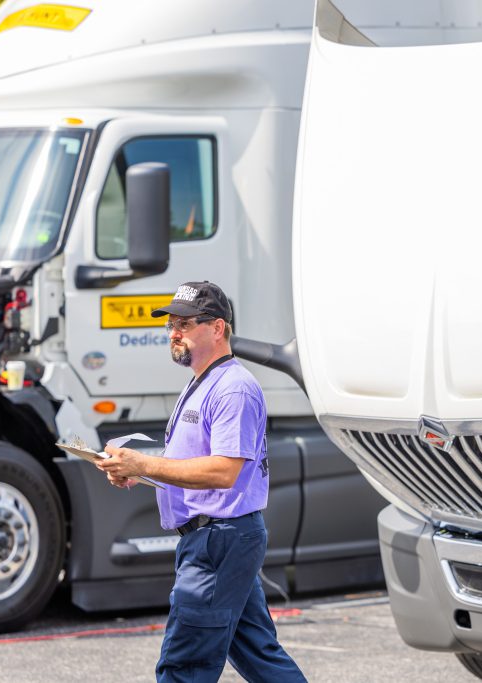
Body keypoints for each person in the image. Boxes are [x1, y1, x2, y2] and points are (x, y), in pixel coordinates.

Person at [96, 281, 306, 683]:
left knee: (184, 667)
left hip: (218, 542)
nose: (174, 332)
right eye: (171, 324)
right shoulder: (204, 381)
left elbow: (223, 472)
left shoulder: (233, 388)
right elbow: (195, 465)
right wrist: (137, 470)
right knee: (261, 657)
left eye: (186, 323)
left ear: (218, 328)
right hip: (220, 539)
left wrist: (144, 464)